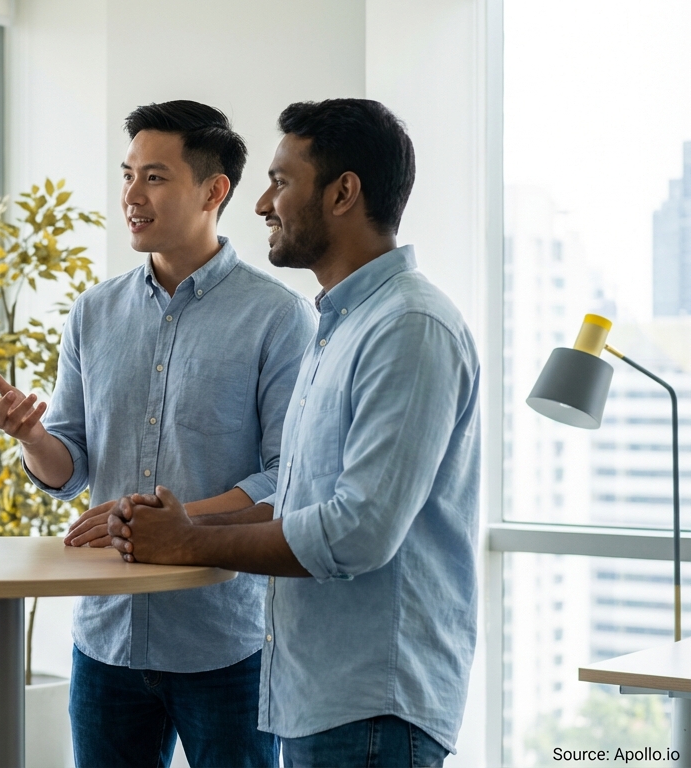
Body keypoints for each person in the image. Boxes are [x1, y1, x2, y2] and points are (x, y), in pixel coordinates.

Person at [108, 99, 479, 767]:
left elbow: (357, 531)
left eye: (281, 181)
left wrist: (190, 539)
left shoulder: (408, 327)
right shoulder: (340, 327)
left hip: (371, 711)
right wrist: (182, 526)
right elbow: (301, 498)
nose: (261, 205)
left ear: (343, 193)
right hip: (319, 701)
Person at [0, 100, 314, 767]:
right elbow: (67, 469)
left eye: (154, 177)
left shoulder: (278, 317)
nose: (131, 195)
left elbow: (287, 479)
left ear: (213, 190)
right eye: (129, 174)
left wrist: (176, 522)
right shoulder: (94, 312)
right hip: (106, 641)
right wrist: (31, 437)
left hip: (226, 639)